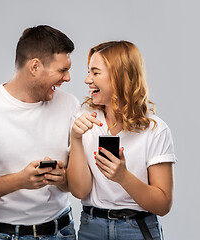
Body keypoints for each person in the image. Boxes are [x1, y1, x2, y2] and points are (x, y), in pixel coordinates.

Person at [0, 25, 79, 240]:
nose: (67, 78)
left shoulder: (69, 105)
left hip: (63, 231)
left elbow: (76, 184)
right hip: (8, 235)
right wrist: (20, 180)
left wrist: (61, 178)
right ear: (35, 66)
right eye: (62, 70)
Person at [67, 41, 177, 240]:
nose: (87, 80)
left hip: (137, 229)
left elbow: (162, 204)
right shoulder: (83, 120)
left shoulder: (155, 130)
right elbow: (80, 191)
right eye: (88, 72)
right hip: (92, 228)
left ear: (119, 76)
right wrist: (75, 138)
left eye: (95, 72)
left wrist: (123, 177)